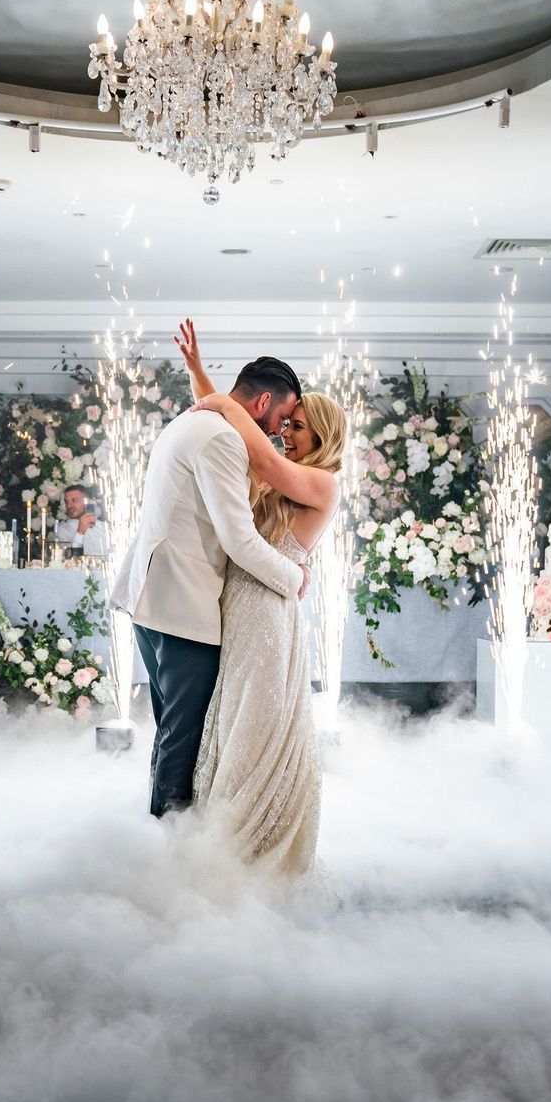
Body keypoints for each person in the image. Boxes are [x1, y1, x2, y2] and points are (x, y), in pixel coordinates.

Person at [111, 323, 310, 824]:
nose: (280, 432)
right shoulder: (222, 438)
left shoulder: (191, 422)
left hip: (151, 598)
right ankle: (173, 851)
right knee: (186, 734)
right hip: (182, 603)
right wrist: (295, 579)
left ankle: (158, 834)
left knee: (170, 729)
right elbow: (238, 540)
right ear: (264, 402)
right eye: (284, 417)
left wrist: (200, 374)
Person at [178, 319, 346, 877]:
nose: (288, 432)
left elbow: (256, 445)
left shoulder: (321, 483)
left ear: (323, 437)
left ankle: (252, 856)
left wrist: (224, 404)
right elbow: (239, 430)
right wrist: (203, 378)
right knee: (234, 720)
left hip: (272, 613)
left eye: (299, 427)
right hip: (241, 606)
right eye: (287, 422)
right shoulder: (279, 471)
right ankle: (225, 847)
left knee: (260, 725)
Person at [53, 484, 109, 559]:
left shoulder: (104, 527)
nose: (69, 506)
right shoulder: (63, 530)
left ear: (87, 502)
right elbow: (65, 559)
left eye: (74, 500)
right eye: (67, 502)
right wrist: (80, 531)